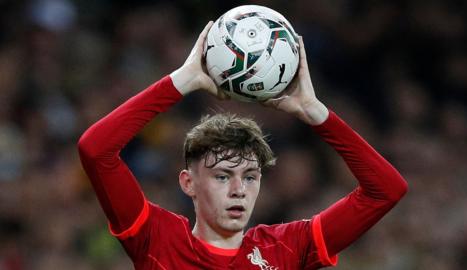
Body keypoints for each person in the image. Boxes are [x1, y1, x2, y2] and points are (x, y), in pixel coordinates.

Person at [78, 21, 408, 269]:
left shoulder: (286, 248)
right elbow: (96, 150)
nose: (239, 189)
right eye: (223, 176)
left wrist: (317, 114)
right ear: (188, 183)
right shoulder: (158, 239)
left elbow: (387, 189)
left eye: (250, 176)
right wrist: (182, 81)